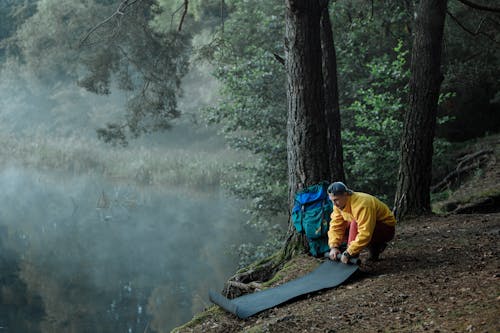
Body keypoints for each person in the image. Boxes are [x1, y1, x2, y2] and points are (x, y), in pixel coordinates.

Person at [327, 181, 396, 264]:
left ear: (345, 194)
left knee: (354, 223)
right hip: (369, 226)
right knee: (344, 225)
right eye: (332, 200)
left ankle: (353, 255)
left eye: (336, 200)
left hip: (386, 229)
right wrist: (334, 246)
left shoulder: (362, 204)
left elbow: (365, 231)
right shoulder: (338, 205)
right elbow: (336, 225)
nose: (334, 203)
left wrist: (350, 252)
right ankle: (343, 252)